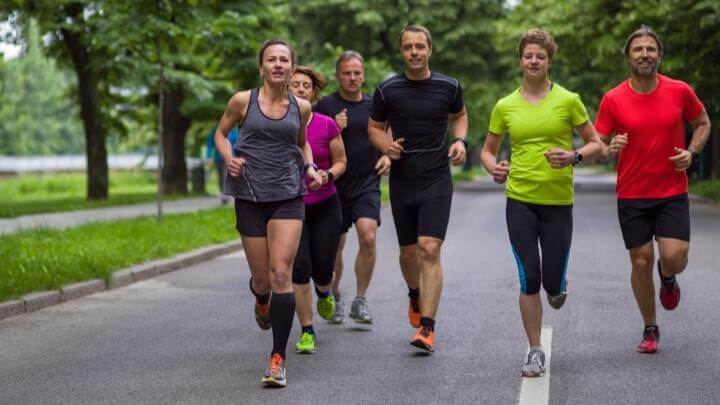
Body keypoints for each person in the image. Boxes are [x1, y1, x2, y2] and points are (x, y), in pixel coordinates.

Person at [480, 28, 602, 377]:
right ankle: (535, 350)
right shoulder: (505, 105)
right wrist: (494, 168)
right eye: (528, 55)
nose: (534, 61)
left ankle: (558, 285)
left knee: (551, 282)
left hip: (558, 202)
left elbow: (596, 143)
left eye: (540, 56)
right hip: (519, 198)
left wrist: (574, 156)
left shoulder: (568, 100)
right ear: (521, 59)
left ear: (549, 61)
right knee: (528, 277)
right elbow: (488, 150)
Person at [214, 39, 322, 387]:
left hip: (288, 194)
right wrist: (229, 157)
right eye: (271, 60)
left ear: (292, 68)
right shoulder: (242, 101)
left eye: (284, 60)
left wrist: (309, 166)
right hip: (249, 195)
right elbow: (220, 133)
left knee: (281, 274)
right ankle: (261, 298)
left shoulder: (301, 107)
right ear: (262, 68)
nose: (277, 64)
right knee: (262, 281)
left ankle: (277, 358)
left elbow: (301, 141)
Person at [596, 26, 711, 354]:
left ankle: (669, 276)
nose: (644, 54)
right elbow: (599, 144)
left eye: (650, 49)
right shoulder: (614, 98)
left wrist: (692, 152)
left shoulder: (680, 90)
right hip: (632, 193)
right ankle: (650, 327)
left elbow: (703, 122)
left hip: (671, 190)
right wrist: (610, 147)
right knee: (641, 260)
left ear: (659, 54)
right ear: (628, 57)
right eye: (637, 50)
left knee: (673, 257)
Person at [367, 24, 468, 353]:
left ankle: (427, 327)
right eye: (408, 47)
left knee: (429, 248)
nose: (414, 52)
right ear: (402, 51)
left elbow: (461, 115)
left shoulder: (449, 86)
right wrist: (386, 146)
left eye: (420, 47)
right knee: (408, 253)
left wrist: (460, 141)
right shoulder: (387, 90)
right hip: (403, 180)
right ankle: (414, 293)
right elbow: (374, 127)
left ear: (429, 50)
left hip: (437, 178)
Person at [314, 51, 391, 325]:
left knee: (368, 237)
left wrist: (386, 155)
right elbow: (311, 144)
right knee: (334, 246)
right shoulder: (324, 106)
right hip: (333, 186)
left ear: (364, 75)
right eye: (347, 73)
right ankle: (334, 294)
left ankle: (360, 299)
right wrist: (334, 127)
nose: (352, 77)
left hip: (367, 183)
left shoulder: (374, 106)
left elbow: (387, 135)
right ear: (338, 76)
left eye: (357, 73)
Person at [288, 66, 347, 354]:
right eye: (294, 85)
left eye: (305, 86)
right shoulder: (277, 124)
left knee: (323, 268)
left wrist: (328, 175)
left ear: (314, 92)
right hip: (291, 206)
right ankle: (307, 330)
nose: (300, 89)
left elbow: (341, 161)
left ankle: (324, 290)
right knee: (299, 269)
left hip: (325, 204)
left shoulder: (326, 124)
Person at [205, 127, 238, 203]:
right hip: (219, 158)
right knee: (221, 176)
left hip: (232, 158)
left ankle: (228, 194)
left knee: (227, 175)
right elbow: (210, 144)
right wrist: (209, 156)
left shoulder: (235, 131)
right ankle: (223, 193)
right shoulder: (215, 130)